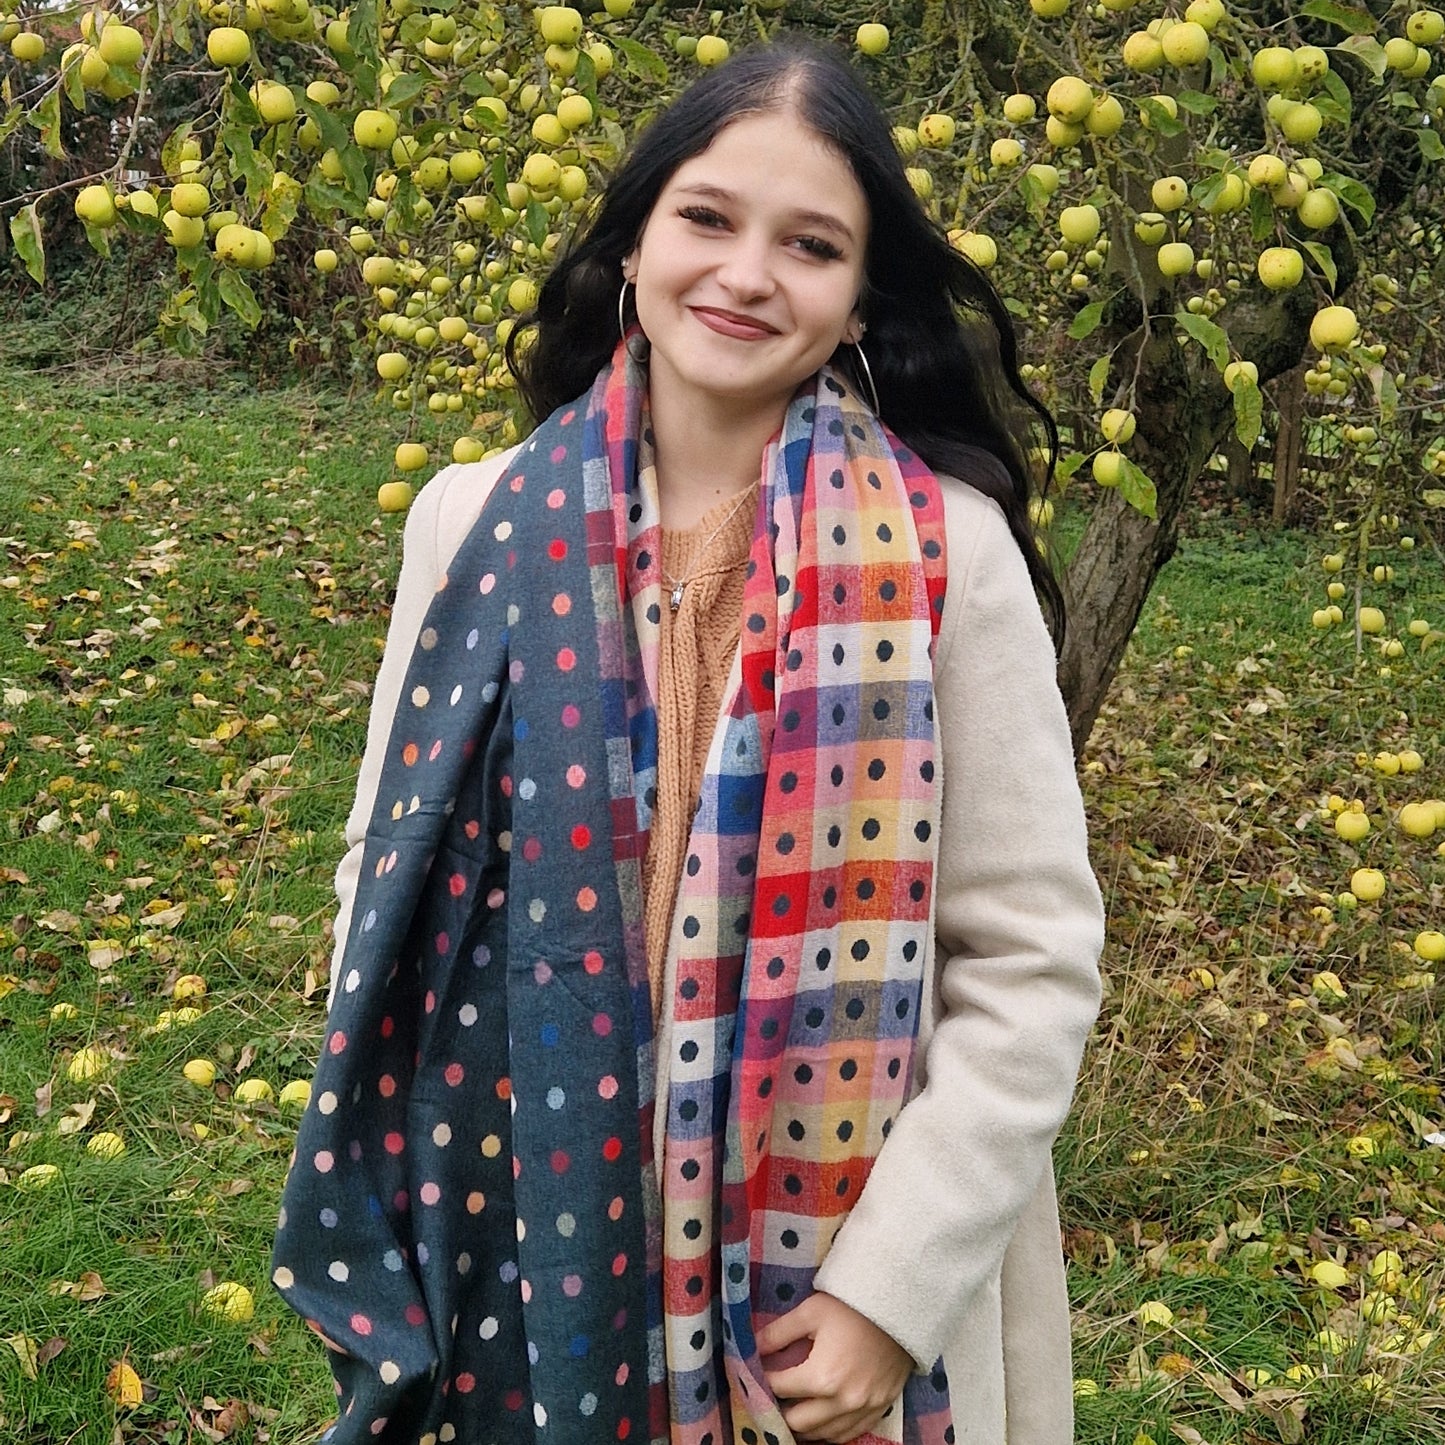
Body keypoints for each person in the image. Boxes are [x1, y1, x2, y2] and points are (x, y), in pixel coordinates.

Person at [272, 35, 1104, 1445]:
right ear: (635, 240)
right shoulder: (473, 527)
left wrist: (887, 1292)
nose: (744, 273)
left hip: (831, 1276)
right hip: (522, 1199)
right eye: (706, 218)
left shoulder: (944, 559)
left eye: (810, 245)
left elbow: (1026, 963)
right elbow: (386, 858)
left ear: (854, 304)